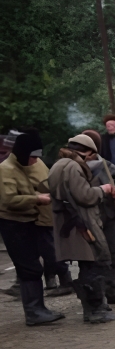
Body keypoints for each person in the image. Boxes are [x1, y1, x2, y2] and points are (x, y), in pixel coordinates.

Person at [49, 134, 115, 324]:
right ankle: (95, 309)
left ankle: (96, 307)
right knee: (93, 263)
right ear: (88, 152)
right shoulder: (73, 167)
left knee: (88, 264)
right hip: (81, 222)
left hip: (70, 221)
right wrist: (103, 190)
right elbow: (85, 196)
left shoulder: (59, 164)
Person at [0, 130, 64, 325]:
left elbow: (45, 182)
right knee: (29, 268)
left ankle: (39, 308)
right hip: (14, 224)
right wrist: (37, 198)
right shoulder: (5, 169)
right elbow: (9, 199)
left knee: (42, 263)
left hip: (34, 223)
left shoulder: (36, 163)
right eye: (32, 156)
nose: (36, 160)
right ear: (22, 153)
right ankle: (33, 311)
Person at [80, 129, 115, 304]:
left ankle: (113, 290)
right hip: (89, 217)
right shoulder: (76, 168)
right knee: (96, 259)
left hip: (108, 214)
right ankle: (97, 295)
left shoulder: (106, 165)